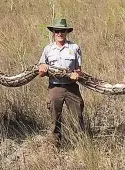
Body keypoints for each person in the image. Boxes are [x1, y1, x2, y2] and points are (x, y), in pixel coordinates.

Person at [38, 19, 85, 147]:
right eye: (57, 31)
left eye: (62, 31)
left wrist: (77, 74)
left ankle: (81, 145)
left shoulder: (75, 48)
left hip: (71, 87)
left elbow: (79, 71)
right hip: (55, 87)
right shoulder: (48, 49)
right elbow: (41, 72)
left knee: (78, 117)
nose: (60, 33)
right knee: (55, 119)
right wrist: (42, 69)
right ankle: (55, 146)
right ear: (53, 33)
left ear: (66, 32)